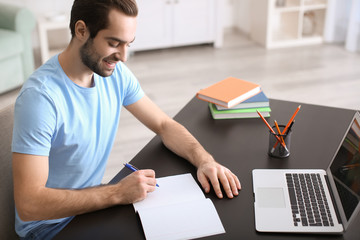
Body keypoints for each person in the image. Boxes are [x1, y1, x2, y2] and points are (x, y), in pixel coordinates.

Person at [12, 0, 241, 239]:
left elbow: (164, 125)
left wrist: (204, 161)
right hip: (50, 228)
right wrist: (116, 193)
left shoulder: (113, 73)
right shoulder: (40, 99)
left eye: (128, 44)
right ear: (81, 31)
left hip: (92, 209)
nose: (123, 56)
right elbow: (30, 205)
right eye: (113, 43)